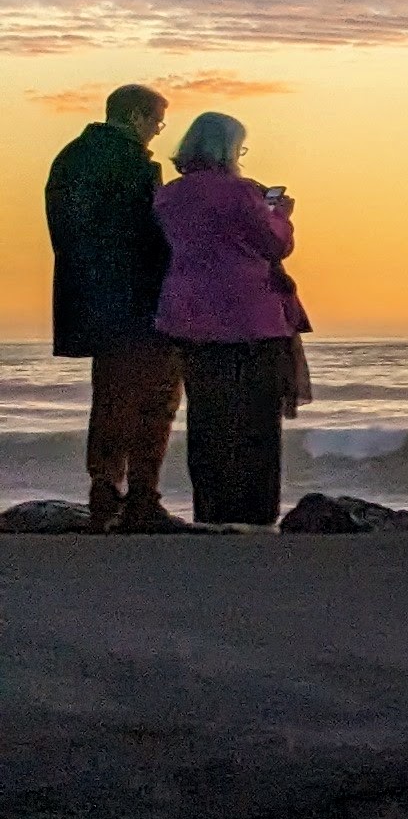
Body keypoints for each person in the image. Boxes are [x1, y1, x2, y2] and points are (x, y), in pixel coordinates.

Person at [152, 112, 310, 528]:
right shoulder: (241, 193)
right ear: (228, 149)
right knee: (257, 418)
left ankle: (212, 507)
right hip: (249, 316)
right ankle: (254, 511)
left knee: (208, 418)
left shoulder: (169, 195)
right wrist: (280, 213)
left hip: (190, 316)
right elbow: (273, 244)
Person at [42, 82, 183, 531]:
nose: (157, 133)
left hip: (89, 298)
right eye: (157, 122)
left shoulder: (71, 157)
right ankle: (140, 500)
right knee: (155, 400)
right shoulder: (130, 165)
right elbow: (150, 236)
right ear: (137, 117)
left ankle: (106, 495)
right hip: (138, 299)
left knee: (111, 400)